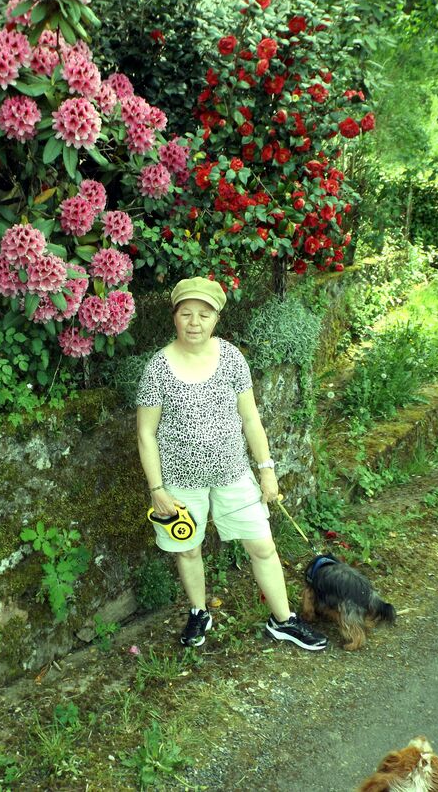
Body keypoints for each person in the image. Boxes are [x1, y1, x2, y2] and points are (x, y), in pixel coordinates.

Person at [136, 276, 327, 650]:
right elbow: (146, 434)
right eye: (186, 313)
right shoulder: (157, 369)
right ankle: (198, 612)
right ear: (174, 317)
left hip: (234, 474)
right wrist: (157, 489)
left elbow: (251, 418)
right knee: (188, 549)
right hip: (178, 481)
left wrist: (267, 469)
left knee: (262, 545)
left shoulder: (232, 358)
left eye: (204, 314)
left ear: (216, 319)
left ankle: (284, 620)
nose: (195, 322)